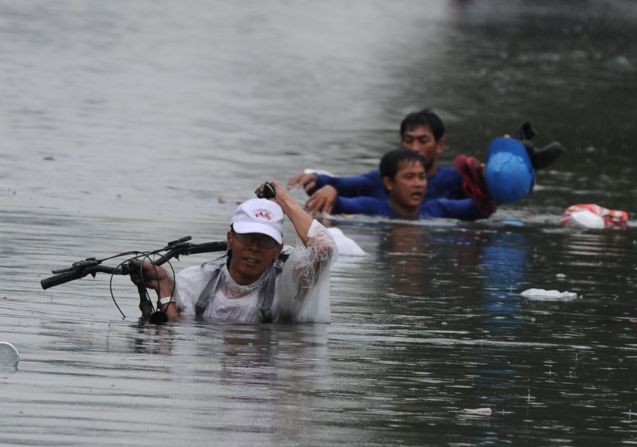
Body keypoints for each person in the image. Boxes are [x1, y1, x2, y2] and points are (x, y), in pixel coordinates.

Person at [288, 108, 563, 215]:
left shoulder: (440, 203)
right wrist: (322, 184)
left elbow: (480, 205)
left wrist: (506, 170)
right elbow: (343, 189)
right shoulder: (376, 201)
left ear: (440, 146)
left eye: (423, 141)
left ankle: (523, 156)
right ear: (390, 184)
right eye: (409, 141)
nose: (415, 148)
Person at [133, 181, 338, 323]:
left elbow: (325, 250)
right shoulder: (193, 282)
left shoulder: (288, 286)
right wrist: (165, 288)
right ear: (230, 238)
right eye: (247, 238)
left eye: (266, 241)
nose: (254, 248)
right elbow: (174, 336)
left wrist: (284, 200)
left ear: (278, 249)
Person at [331, 148, 492, 221]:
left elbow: (481, 207)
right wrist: (330, 191)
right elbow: (337, 204)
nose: (418, 184)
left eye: (422, 177)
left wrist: (488, 181)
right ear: (389, 183)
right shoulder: (370, 208)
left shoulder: (437, 210)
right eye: (409, 177)